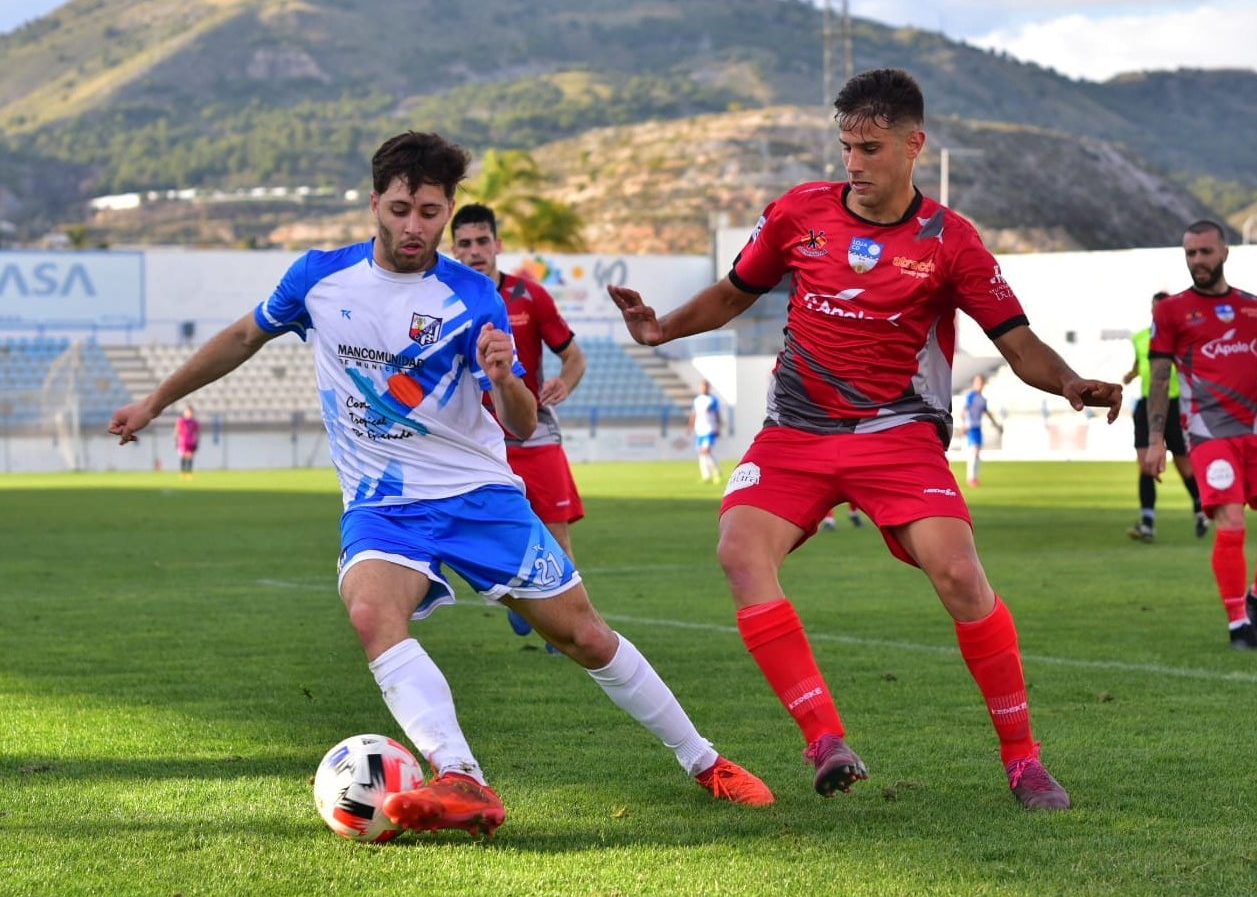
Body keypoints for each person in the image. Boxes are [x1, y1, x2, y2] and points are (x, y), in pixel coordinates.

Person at [108, 130, 774, 838]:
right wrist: (156, 399)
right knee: (371, 611)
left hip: (477, 496)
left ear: (447, 209)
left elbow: (519, 425)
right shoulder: (319, 278)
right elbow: (243, 337)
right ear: (375, 204)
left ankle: (705, 760)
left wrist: (504, 375)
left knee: (582, 633)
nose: (414, 226)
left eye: (430, 212)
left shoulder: (471, 295)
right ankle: (462, 775)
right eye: (400, 209)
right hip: (382, 506)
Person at [608, 68, 1123, 810]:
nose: (853, 162)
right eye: (846, 145)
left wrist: (1071, 381)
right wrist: (661, 328)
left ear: (915, 145)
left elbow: (1018, 344)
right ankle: (824, 738)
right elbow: (731, 295)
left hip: (897, 435)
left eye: (871, 147)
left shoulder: (952, 242)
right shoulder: (797, 213)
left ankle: (1024, 761)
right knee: (738, 551)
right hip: (795, 433)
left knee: (959, 575)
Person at [1144, 219, 1257, 651]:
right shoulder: (1169, 312)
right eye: (1190, 254)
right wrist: (1155, 439)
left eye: (1205, 252)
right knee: (1232, 522)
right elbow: (1160, 377)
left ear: (1224, 253)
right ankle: (1238, 623)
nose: (1197, 261)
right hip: (1208, 432)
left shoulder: (1254, 308)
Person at [450, 202, 586, 644]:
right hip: (472, 437)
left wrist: (565, 382)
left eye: (482, 242)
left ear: (497, 244)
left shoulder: (530, 296)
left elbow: (573, 356)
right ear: (453, 248)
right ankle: (519, 597)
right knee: (468, 531)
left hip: (534, 429)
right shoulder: (442, 299)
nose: (475, 251)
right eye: (465, 244)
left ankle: (561, 626)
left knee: (555, 528)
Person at [1122, 292, 1208, 541]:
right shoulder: (1140, 338)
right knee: (1145, 465)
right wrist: (1131, 375)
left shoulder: (1183, 338)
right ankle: (1147, 523)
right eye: (1156, 308)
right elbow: (1141, 364)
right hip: (1146, 406)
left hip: (1174, 405)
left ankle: (1200, 507)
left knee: (1184, 465)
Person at [960, 374, 1003, 487]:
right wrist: (963, 424)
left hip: (978, 427)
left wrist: (996, 425)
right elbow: (964, 410)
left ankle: (974, 477)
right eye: (977, 382)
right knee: (974, 451)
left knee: (977, 452)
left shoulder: (983, 399)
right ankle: (971, 478)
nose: (979, 385)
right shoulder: (971, 396)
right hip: (971, 427)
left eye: (981, 382)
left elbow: (987, 413)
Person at [687, 379, 723, 483]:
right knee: (701, 453)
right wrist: (690, 426)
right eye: (702, 386)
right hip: (699, 430)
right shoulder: (697, 400)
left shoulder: (713, 400)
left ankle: (716, 472)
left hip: (710, 429)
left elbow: (717, 414)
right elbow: (694, 414)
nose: (703, 388)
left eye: (705, 386)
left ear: (708, 387)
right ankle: (706, 475)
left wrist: (718, 427)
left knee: (706, 451)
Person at [173, 404, 200, 478]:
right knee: (183, 456)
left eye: (190, 412)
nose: (189, 413)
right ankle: (182, 472)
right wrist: (175, 440)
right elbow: (177, 430)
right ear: (185, 412)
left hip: (191, 441)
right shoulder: (181, 421)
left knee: (190, 457)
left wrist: (197, 442)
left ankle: (189, 473)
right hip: (183, 441)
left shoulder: (195, 422)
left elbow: (197, 433)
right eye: (187, 411)